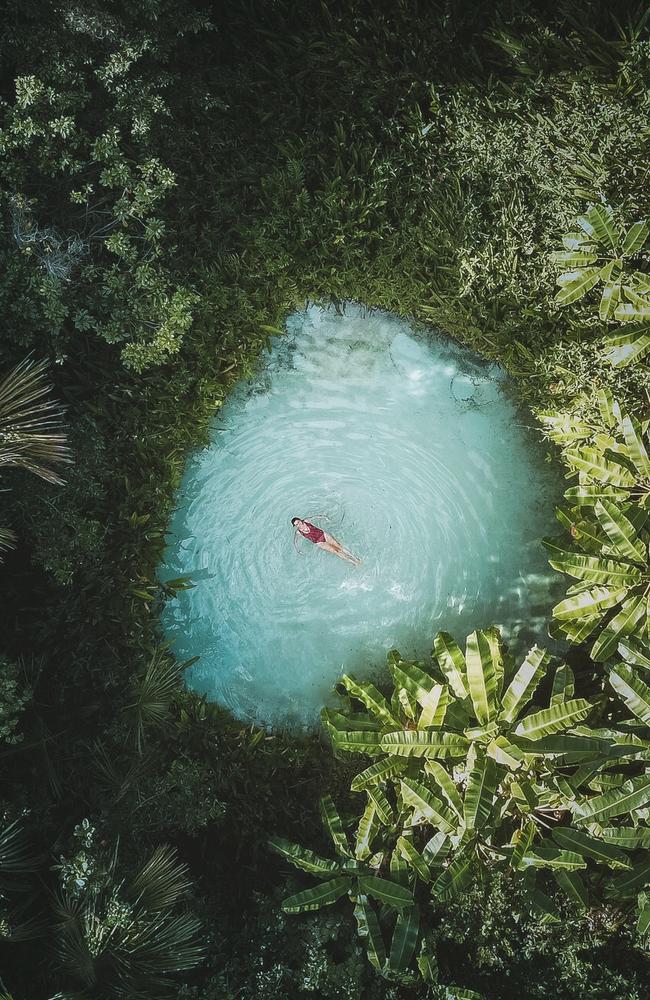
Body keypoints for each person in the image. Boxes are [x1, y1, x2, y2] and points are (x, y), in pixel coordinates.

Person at [291, 516, 361, 566]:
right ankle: (353, 562)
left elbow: (316, 517)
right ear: (295, 526)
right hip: (319, 542)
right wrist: (298, 550)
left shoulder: (306, 521)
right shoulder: (298, 532)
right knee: (336, 551)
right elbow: (295, 541)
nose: (298, 524)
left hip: (323, 534)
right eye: (296, 524)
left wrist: (325, 518)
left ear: (301, 520)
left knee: (339, 547)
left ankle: (355, 558)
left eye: (298, 522)